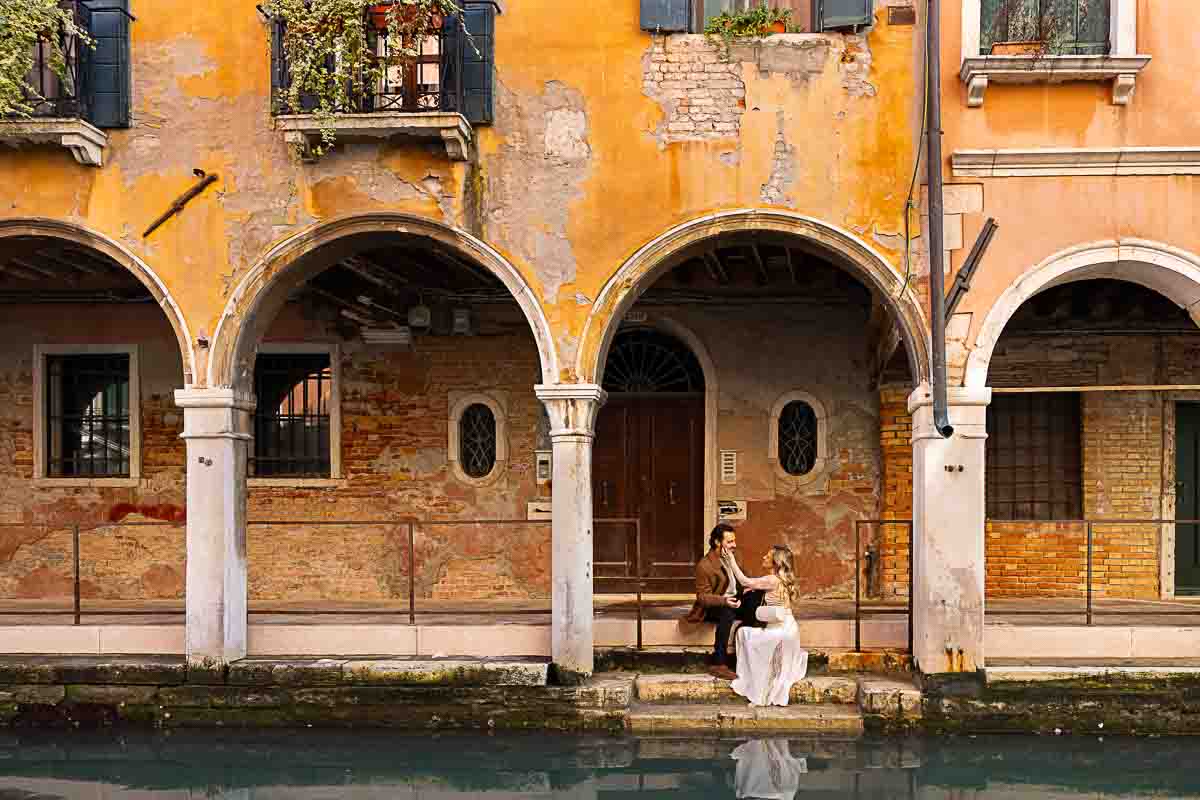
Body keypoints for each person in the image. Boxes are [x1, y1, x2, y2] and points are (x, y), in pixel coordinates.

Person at [721, 544, 809, 706]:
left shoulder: (772, 579)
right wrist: (753, 589)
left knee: (743, 633)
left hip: (779, 630)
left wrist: (731, 560)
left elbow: (744, 580)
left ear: (775, 562)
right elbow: (766, 590)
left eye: (767, 556)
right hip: (789, 627)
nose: (763, 557)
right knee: (747, 633)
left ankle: (751, 678)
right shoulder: (780, 580)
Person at [687, 523, 765, 680]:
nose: (734, 545)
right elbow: (702, 597)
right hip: (715, 605)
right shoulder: (705, 565)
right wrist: (724, 601)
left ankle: (744, 641)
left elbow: (744, 577)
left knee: (756, 597)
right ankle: (718, 662)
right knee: (727, 611)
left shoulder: (735, 556)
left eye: (734, 541)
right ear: (717, 542)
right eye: (729, 542)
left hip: (735, 599)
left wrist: (748, 589)